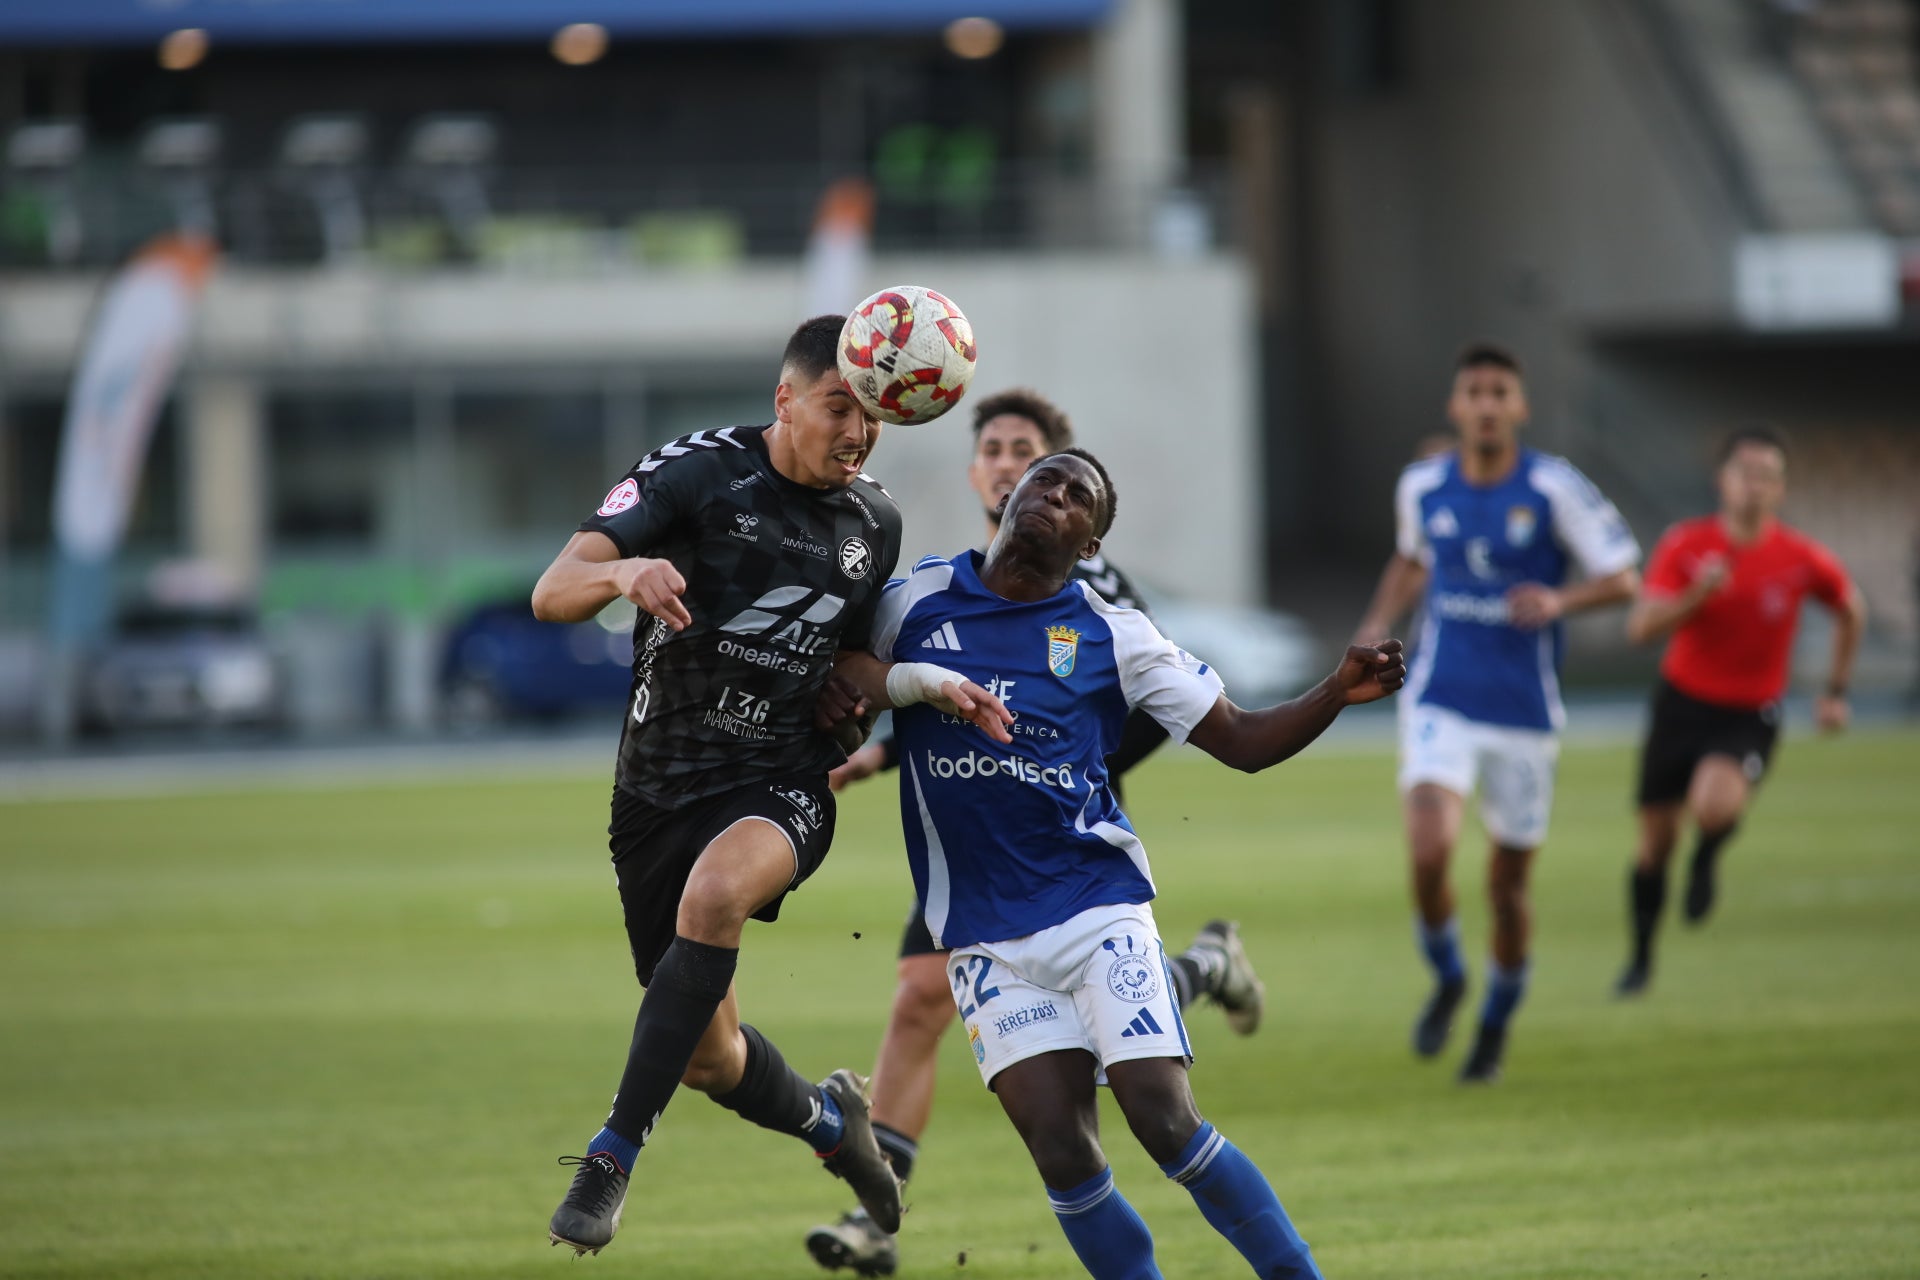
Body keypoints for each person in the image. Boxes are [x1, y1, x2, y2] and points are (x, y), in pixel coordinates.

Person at [827, 448, 1406, 1280]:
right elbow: (844, 667)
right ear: (1009, 497)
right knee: (1062, 1152)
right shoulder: (916, 597)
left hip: (1096, 907)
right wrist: (906, 684)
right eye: (1043, 481)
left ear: (1090, 544)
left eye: (1076, 498)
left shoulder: (1112, 631)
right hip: (985, 937)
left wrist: (1332, 692)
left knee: (1162, 1117)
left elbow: (1240, 740)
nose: (1052, 496)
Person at [529, 314, 1010, 1257]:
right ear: (785, 401)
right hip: (656, 793)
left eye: (870, 413)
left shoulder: (872, 522)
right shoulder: (696, 473)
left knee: (716, 897)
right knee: (713, 1060)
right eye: (839, 407)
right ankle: (836, 1127)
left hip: (779, 783)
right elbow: (554, 591)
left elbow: (854, 672)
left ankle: (611, 1156)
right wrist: (624, 569)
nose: (858, 431)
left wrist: (911, 689)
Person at [806, 391, 1265, 1277]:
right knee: (917, 998)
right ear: (979, 471)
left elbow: (1133, 701)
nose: (1010, 463)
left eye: (1028, 449)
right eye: (994, 449)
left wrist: (1070, 762)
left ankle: (878, 1204)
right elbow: (943, 683)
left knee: (947, 999)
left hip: (1065, 840)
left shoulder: (1100, 593)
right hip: (974, 839)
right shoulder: (937, 584)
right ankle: (881, 1205)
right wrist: (873, 757)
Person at [1352, 342, 1640, 1083]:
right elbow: (1414, 558)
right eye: (1473, 391)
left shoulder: (1552, 487)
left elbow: (1623, 578)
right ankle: (1449, 975)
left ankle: (1493, 1025)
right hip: (1440, 695)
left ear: (1519, 407)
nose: (1485, 404)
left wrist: (1559, 600)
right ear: (1455, 406)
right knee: (1428, 849)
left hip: (1523, 714)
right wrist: (1374, 622)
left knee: (1508, 890)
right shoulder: (1421, 485)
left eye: (1499, 392)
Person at [1615, 426, 1864, 995]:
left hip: (1748, 714)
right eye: (1745, 474)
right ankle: (1640, 958)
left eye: (1768, 476)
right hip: (1680, 705)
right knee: (1653, 843)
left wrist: (1836, 691)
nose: (1756, 487)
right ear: (1722, 481)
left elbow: (1851, 610)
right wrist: (1696, 597)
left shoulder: (1798, 557)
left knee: (1714, 804)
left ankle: (1708, 855)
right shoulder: (1686, 545)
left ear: (1781, 488)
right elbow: (1640, 628)